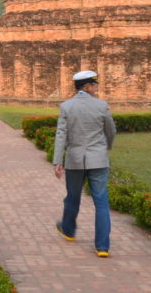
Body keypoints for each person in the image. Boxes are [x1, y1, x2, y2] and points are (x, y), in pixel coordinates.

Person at [52, 69, 116, 257]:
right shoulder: (102, 106)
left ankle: (69, 229)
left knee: (73, 197)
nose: (96, 88)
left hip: (75, 159)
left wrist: (58, 160)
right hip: (98, 159)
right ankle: (102, 246)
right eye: (94, 85)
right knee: (102, 203)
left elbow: (61, 135)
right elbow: (111, 131)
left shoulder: (67, 106)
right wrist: (106, 147)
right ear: (87, 86)